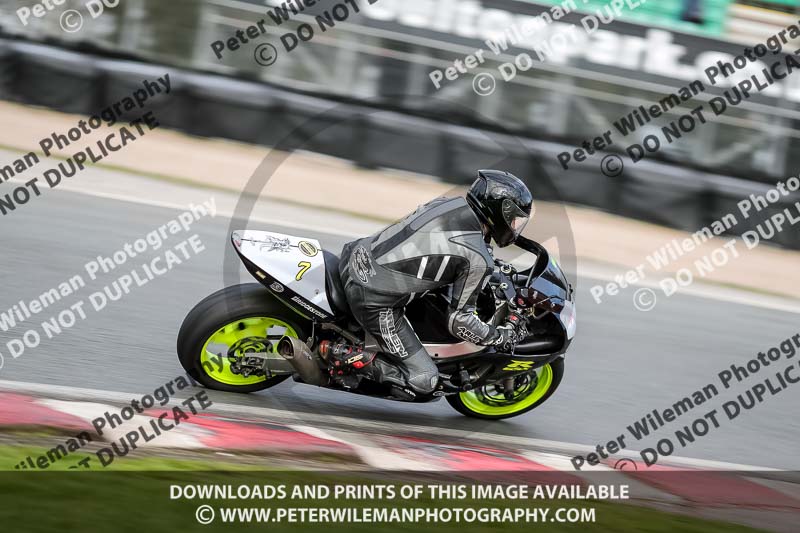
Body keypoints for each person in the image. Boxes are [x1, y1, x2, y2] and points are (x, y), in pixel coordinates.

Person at [332, 170, 534, 400]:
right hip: (371, 298)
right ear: (501, 211)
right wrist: (498, 337)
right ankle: (345, 356)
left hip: (354, 255)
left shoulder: (447, 203)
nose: (514, 227)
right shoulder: (478, 258)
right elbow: (459, 322)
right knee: (425, 380)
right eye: (514, 219)